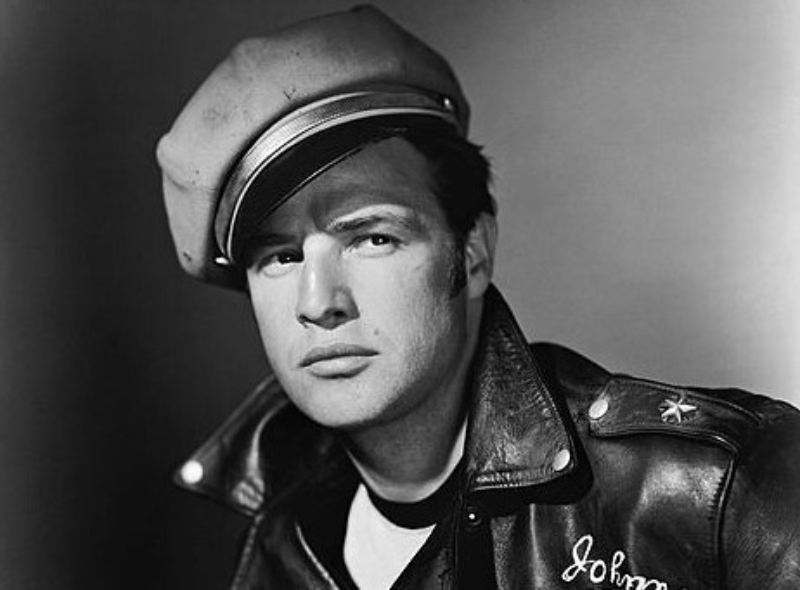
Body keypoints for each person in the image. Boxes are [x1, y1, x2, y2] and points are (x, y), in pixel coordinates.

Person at [156, 6, 800, 589]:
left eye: (372, 238)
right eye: (282, 257)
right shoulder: (259, 538)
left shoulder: (721, 490)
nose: (319, 301)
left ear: (472, 251)